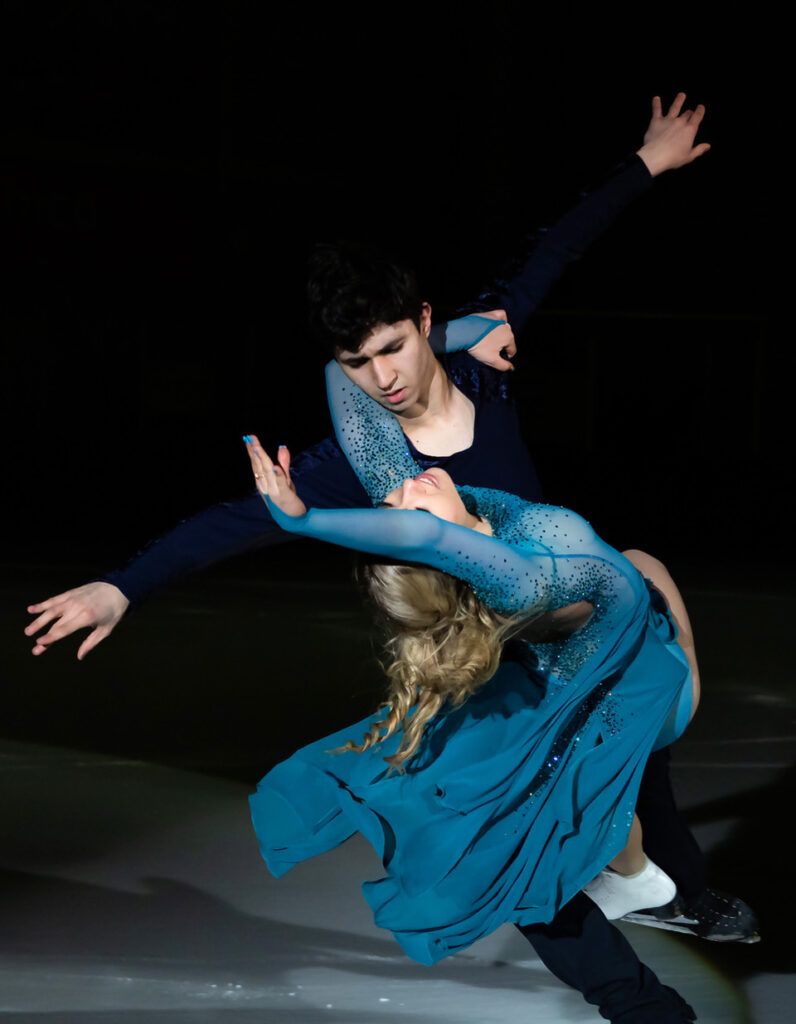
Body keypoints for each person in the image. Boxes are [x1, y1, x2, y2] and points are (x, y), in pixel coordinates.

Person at [25, 95, 746, 1019]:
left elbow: (553, 251)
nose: (385, 378)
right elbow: (241, 519)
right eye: (359, 362)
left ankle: (675, 888)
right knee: (503, 848)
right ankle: (644, 1006)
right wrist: (122, 587)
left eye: (396, 346)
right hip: (493, 669)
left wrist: (644, 165)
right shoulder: (366, 461)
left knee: (636, 747)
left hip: (575, 620)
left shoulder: (486, 358)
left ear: (425, 318)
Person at [246, 438, 699, 1003]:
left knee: (636, 568)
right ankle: (635, 917)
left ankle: (635, 877)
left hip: (587, 686)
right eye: (405, 518)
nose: (405, 488)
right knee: (641, 566)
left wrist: (447, 355)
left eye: (391, 505)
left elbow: (372, 437)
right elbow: (429, 535)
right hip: (645, 701)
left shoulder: (454, 515)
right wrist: (305, 520)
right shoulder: (519, 581)